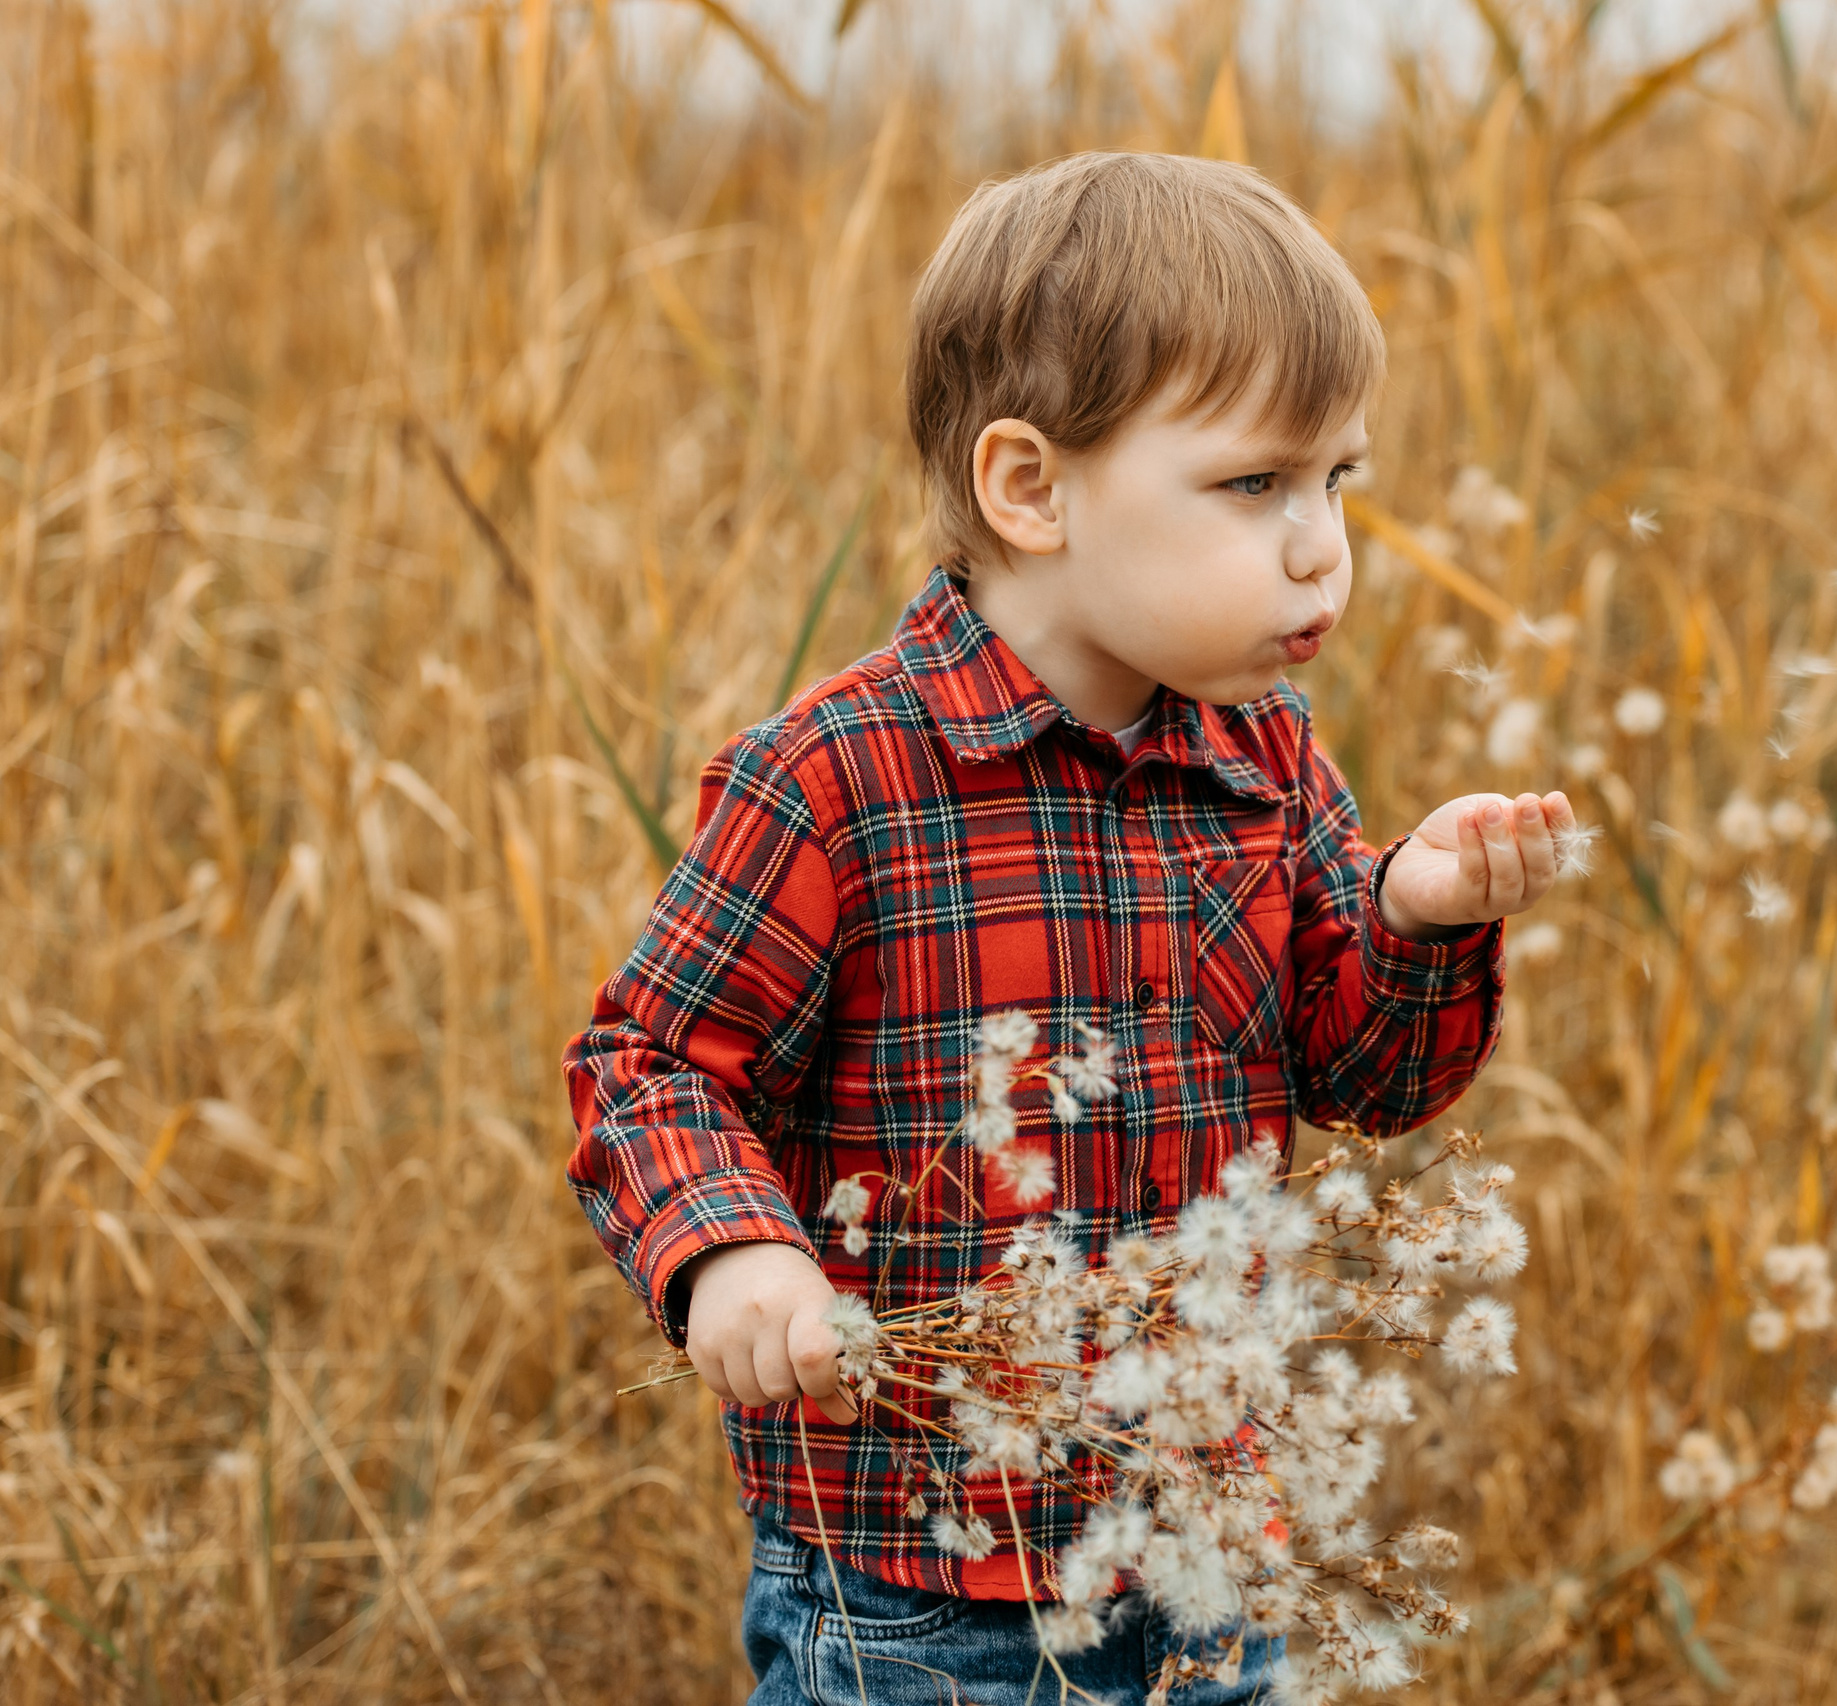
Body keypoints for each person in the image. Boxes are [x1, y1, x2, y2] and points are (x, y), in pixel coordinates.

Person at [561, 149, 1578, 1706]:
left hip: (1204, 1562)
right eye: (1255, 484)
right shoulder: (841, 777)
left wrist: (1411, 911)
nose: (1321, 545)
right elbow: (648, 1063)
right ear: (1028, 487)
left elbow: (1361, 1076)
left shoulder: (1267, 761)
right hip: (918, 1593)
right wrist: (737, 1256)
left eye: (1337, 481)